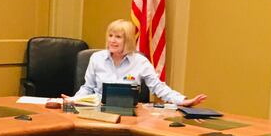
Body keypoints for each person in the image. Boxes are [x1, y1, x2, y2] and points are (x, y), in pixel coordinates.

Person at [70, 19, 207, 107]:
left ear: (128, 40)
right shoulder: (96, 58)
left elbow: (158, 87)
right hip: (99, 112)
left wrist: (183, 100)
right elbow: (88, 88)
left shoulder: (140, 62)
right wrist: (73, 100)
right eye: (110, 36)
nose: (112, 40)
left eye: (118, 37)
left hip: (131, 115)